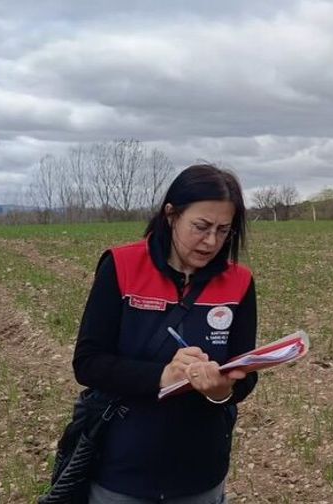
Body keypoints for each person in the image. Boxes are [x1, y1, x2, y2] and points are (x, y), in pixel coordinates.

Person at [72, 164, 257, 503]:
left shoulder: (239, 283)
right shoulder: (121, 266)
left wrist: (221, 390)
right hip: (121, 470)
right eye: (201, 227)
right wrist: (163, 376)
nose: (211, 241)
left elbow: (244, 377)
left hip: (200, 472)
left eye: (223, 230)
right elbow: (88, 363)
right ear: (171, 215)